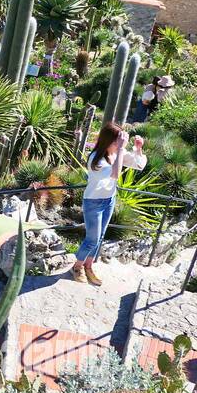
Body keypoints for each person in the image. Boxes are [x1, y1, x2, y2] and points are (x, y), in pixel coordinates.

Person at [71, 122, 147, 285]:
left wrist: (138, 148)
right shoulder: (95, 159)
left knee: (100, 237)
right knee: (92, 239)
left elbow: (139, 164)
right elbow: (115, 174)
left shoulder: (115, 153)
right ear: (108, 141)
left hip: (109, 200)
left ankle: (89, 266)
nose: (119, 145)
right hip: (93, 202)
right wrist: (120, 149)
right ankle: (77, 267)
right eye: (116, 142)